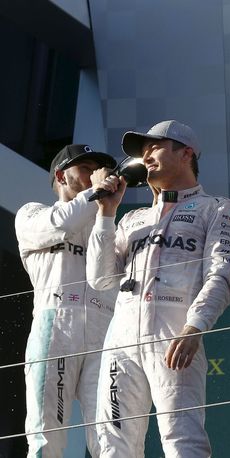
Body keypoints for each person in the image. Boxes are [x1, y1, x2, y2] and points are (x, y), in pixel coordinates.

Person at [86, 120, 230, 457]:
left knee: (181, 439)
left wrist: (195, 326)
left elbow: (221, 274)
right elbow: (99, 280)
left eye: (155, 146)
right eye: (142, 151)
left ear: (186, 153)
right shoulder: (131, 219)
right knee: (113, 444)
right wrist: (105, 213)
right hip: (122, 341)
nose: (146, 155)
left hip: (173, 336)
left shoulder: (217, 208)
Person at [15, 144, 117, 457]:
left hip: (104, 332)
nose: (95, 175)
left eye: (98, 169)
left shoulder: (108, 223)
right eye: (85, 168)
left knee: (113, 436)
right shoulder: (33, 213)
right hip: (55, 325)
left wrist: (106, 212)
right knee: (47, 437)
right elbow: (61, 223)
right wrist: (98, 192)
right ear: (61, 175)